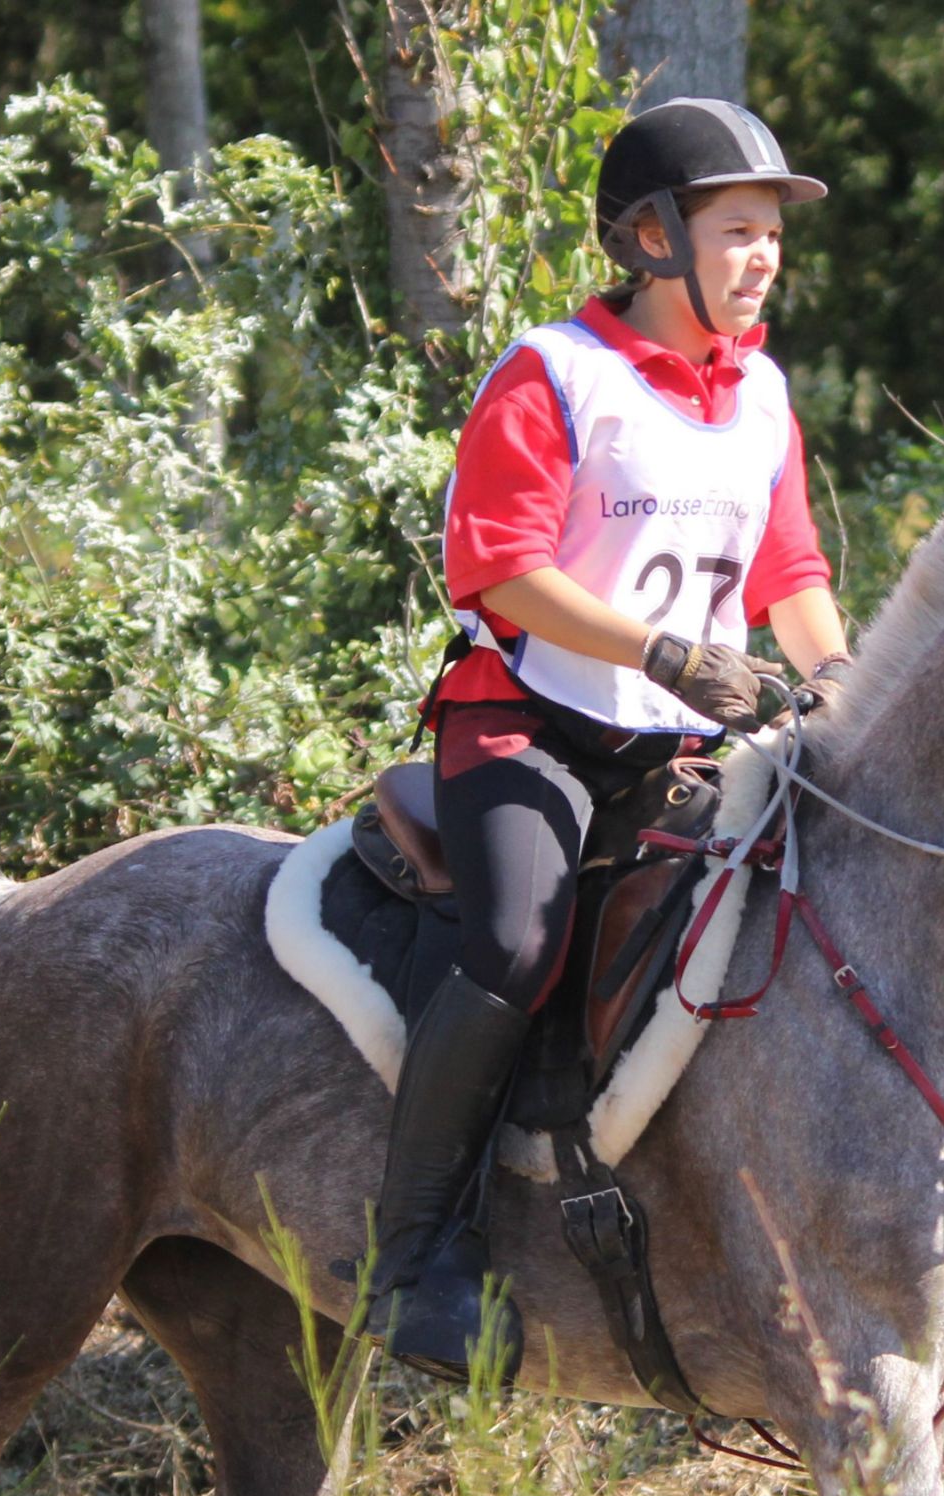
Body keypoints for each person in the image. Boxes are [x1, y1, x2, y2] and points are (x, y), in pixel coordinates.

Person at [362, 98, 854, 1374]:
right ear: (650, 238)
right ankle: (412, 1250)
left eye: (772, 239)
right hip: (528, 730)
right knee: (521, 941)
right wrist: (667, 653)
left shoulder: (763, 397)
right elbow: (498, 570)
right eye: (737, 231)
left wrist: (841, 677)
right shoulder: (552, 373)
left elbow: (789, 570)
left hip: (671, 754)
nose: (764, 259)